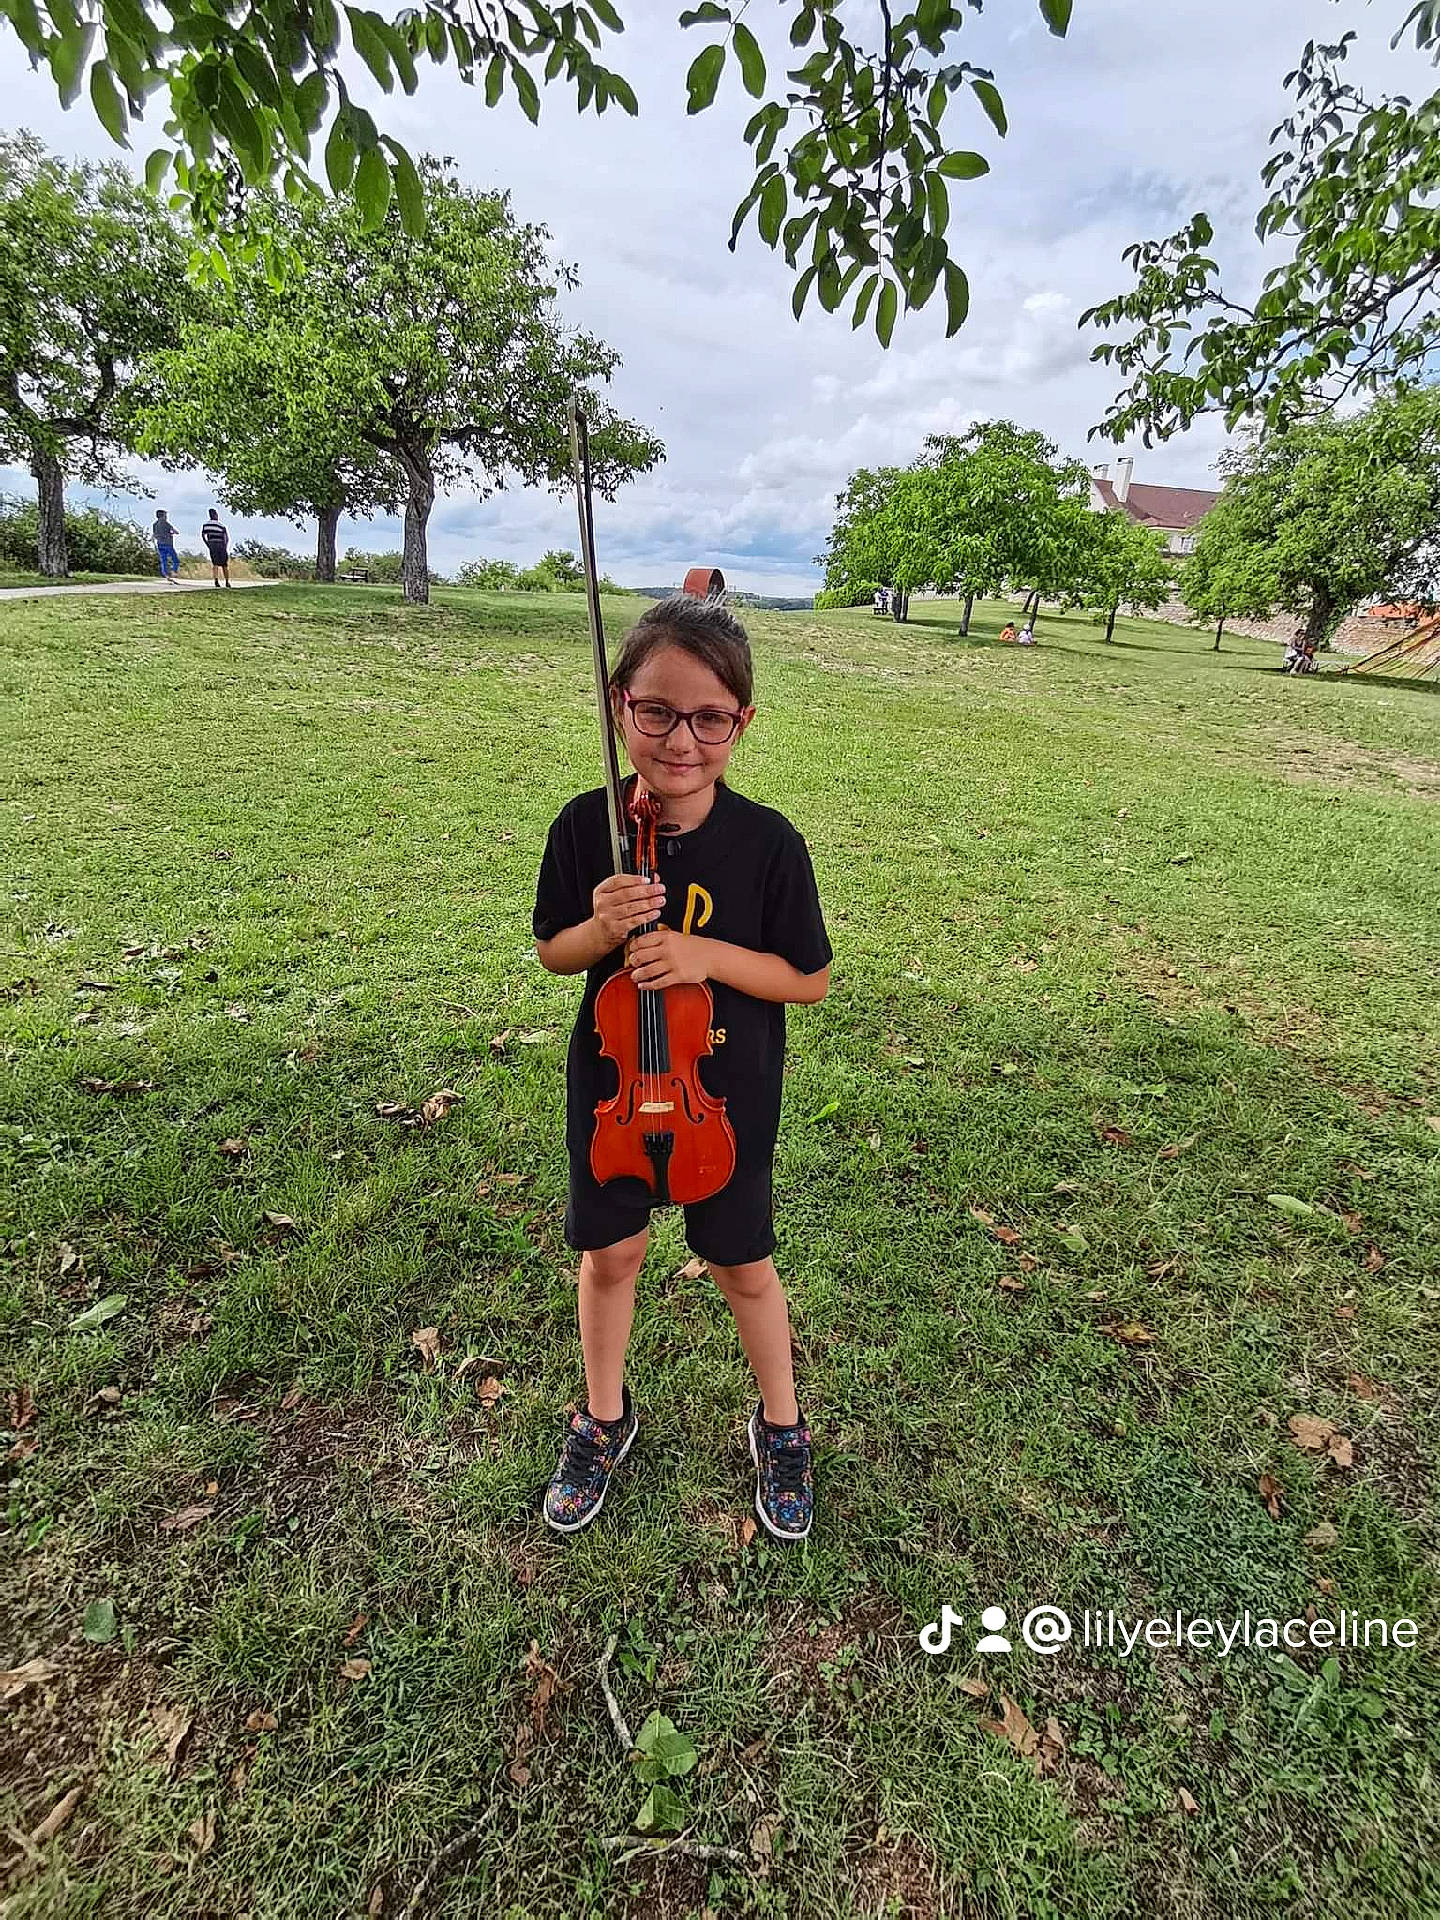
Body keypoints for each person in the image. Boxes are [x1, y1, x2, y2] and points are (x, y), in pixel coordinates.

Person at [532, 595, 833, 1543]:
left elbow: (808, 978)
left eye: (710, 719)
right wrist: (603, 925)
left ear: (742, 723)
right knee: (611, 1253)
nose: (680, 741)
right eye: (656, 712)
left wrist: (702, 957)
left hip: (724, 1100)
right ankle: (603, 1418)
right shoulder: (589, 825)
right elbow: (556, 952)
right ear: (621, 705)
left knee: (740, 1262)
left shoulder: (768, 842)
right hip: (617, 1087)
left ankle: (781, 1426)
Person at [200, 509, 231, 587]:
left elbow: (203, 535)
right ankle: (227, 581)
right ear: (216, 515)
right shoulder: (221, 526)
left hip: (212, 544)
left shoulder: (206, 525)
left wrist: (208, 543)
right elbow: (226, 537)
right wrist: (225, 546)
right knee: (224, 565)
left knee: (215, 563)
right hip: (221, 544)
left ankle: (216, 580)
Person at [152, 510, 179, 581]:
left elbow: (155, 534)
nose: (166, 516)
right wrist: (173, 533)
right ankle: (174, 571)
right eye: (165, 515)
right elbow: (173, 530)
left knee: (163, 560)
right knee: (175, 559)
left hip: (160, 543)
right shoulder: (165, 523)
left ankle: (166, 574)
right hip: (168, 543)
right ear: (163, 516)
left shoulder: (154, 524)